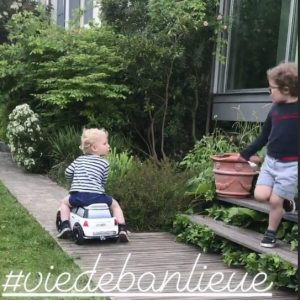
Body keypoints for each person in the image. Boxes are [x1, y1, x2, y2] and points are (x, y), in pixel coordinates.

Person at [239, 62, 298, 248]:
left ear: (286, 89)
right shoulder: (275, 111)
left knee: (274, 201)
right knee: (260, 195)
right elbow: (265, 135)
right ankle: (287, 199)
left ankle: (271, 233)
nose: (269, 92)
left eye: (271, 88)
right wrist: (247, 153)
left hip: (291, 165)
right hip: (271, 162)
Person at [57, 128, 129, 242]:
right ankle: (122, 228)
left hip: (78, 196)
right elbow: (103, 181)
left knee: (65, 203)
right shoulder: (105, 163)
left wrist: (73, 182)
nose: (108, 145)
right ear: (94, 148)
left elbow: (68, 172)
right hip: (97, 197)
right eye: (105, 143)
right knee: (115, 205)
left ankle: (65, 226)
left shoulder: (79, 160)